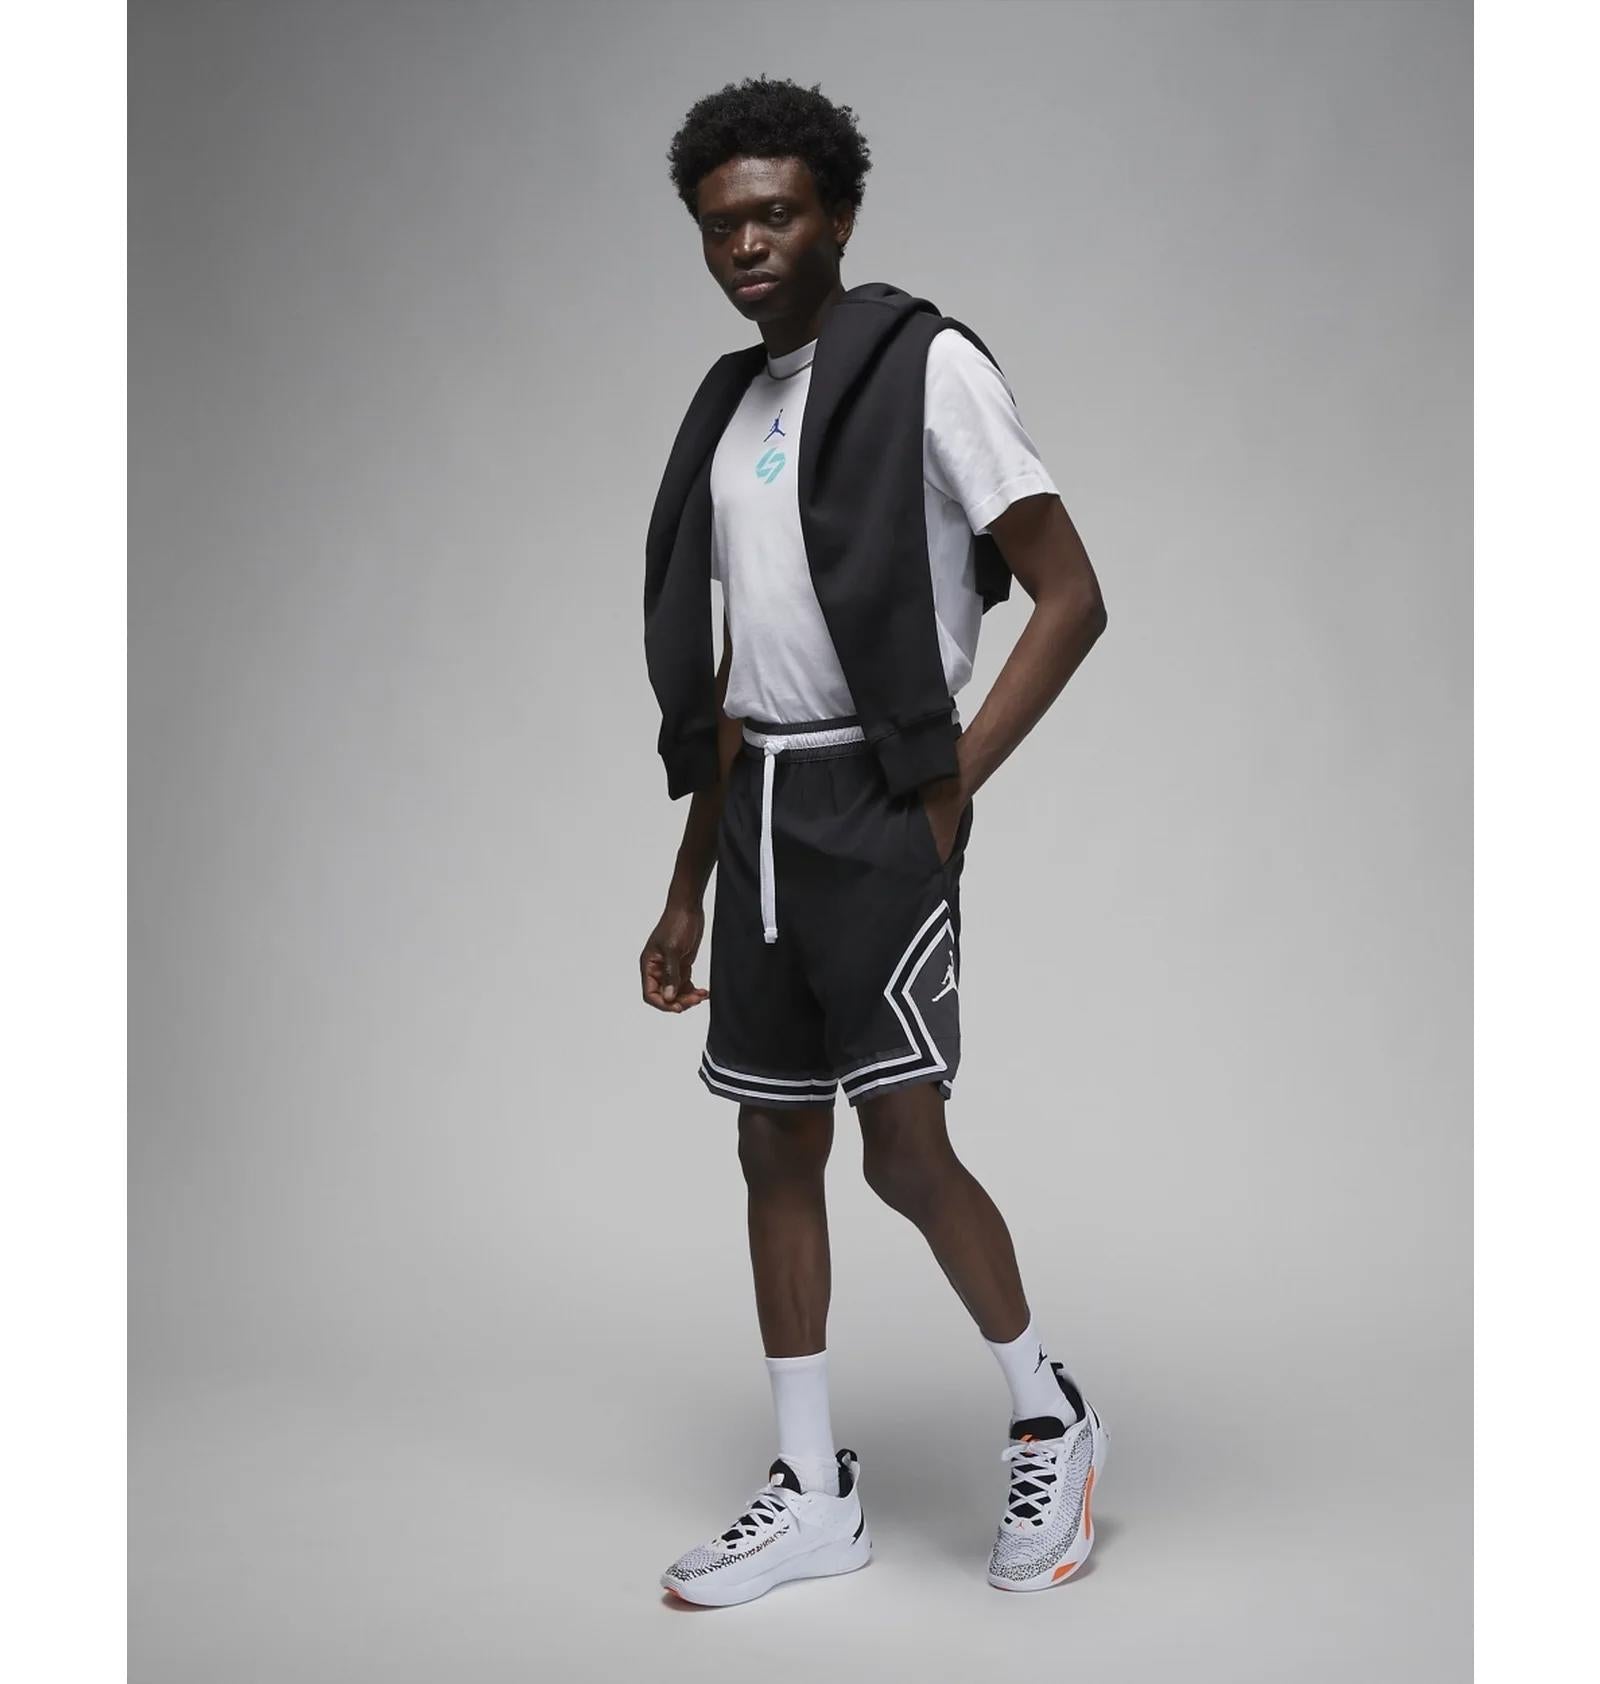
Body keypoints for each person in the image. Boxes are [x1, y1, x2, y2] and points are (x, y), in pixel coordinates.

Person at [639, 76, 1109, 1606]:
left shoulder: (927, 367)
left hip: (877, 795)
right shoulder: (730, 407)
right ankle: (811, 1489)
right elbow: (739, 668)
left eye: (776, 214)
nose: (747, 244)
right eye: (721, 223)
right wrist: (686, 888)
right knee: (773, 1140)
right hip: (762, 808)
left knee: (903, 1147)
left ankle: (1050, 1413)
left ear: (838, 215)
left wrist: (955, 779)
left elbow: (1071, 594)